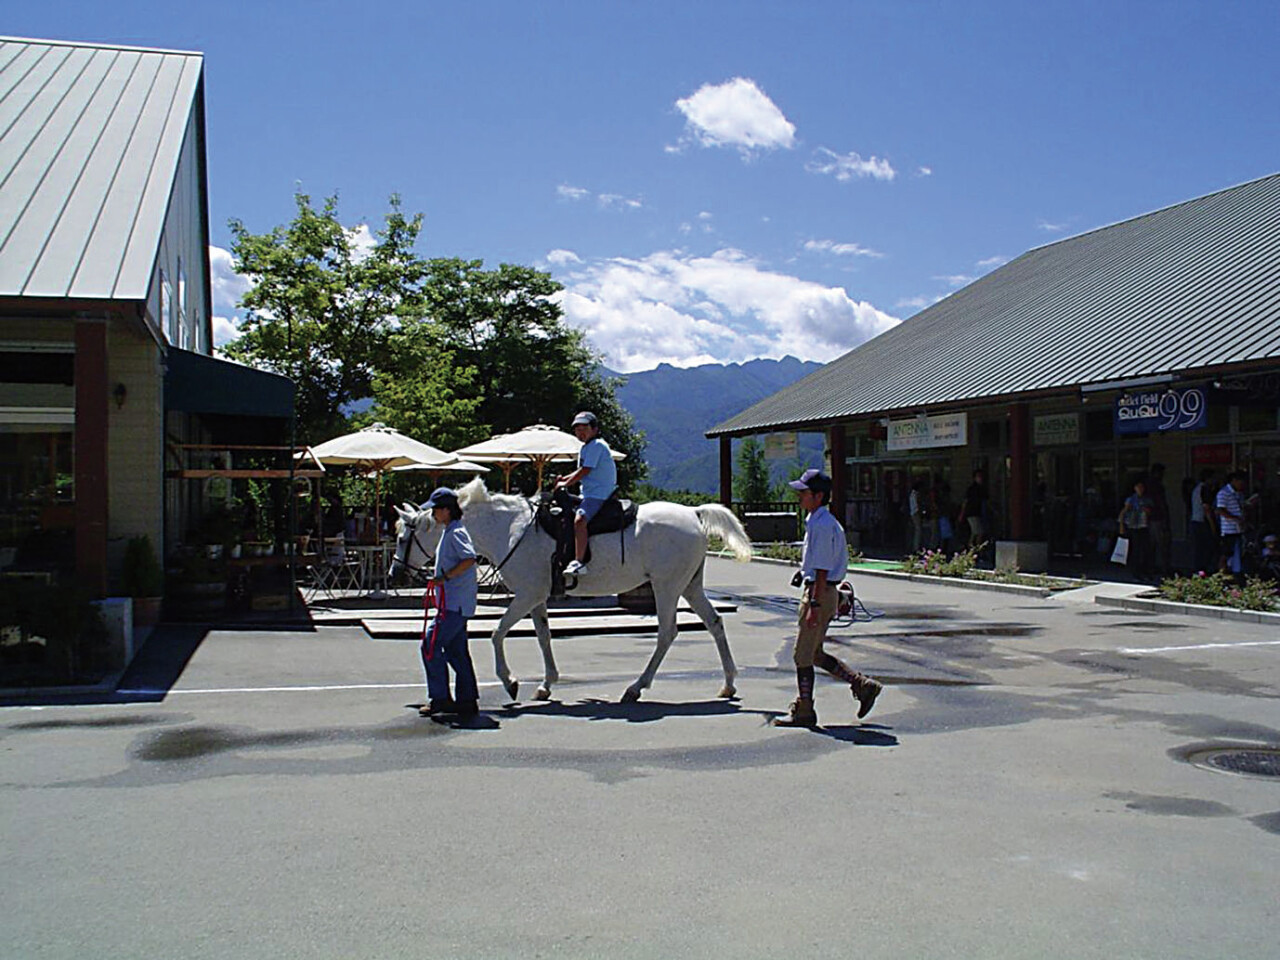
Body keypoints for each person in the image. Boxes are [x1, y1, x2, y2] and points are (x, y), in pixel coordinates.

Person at [775, 469, 882, 728]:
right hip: (823, 590)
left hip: (819, 593)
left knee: (802, 655)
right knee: (814, 653)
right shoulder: (819, 520)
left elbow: (821, 568)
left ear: (819, 496)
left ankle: (805, 710)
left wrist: (814, 603)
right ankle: (861, 684)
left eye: (804, 492)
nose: (800, 496)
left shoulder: (822, 525)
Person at [418, 487, 480, 720]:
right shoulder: (452, 530)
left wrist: (444, 578)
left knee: (430, 646)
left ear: (446, 510)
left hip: (453, 605)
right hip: (456, 603)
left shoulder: (455, 533)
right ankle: (467, 701)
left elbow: (469, 558)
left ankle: (440, 698)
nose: (433, 514)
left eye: (435, 509)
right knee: (456, 652)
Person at [553, 411, 617, 577]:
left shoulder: (597, 445)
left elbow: (585, 470)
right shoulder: (586, 447)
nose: (580, 432)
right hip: (588, 493)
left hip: (599, 493)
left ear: (594, 430)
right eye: (577, 429)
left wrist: (565, 483)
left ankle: (579, 561)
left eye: (584, 428)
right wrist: (563, 479)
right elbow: (580, 471)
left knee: (580, 520)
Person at [1117, 477, 1154, 579]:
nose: (1141, 489)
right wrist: (1121, 526)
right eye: (1138, 487)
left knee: (1146, 549)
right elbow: (1124, 513)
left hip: (1144, 525)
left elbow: (1151, 512)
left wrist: (1147, 510)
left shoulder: (1146, 499)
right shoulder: (1131, 499)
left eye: (1142, 487)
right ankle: (1136, 571)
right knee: (1136, 550)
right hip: (1133, 526)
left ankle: (1146, 570)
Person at [1216, 470, 1248, 576]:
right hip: (1228, 529)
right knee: (1226, 553)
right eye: (1240, 482)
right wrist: (1235, 518)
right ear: (1234, 481)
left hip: (1239, 528)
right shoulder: (1224, 493)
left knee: (1237, 553)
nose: (1242, 485)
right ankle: (1221, 575)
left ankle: (1235, 572)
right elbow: (1220, 510)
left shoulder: (1239, 494)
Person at [1189, 470, 1217, 573]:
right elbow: (1207, 509)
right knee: (1204, 549)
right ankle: (1201, 571)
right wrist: (1213, 526)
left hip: (1195, 520)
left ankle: (1199, 570)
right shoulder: (1204, 489)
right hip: (1201, 522)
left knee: (1199, 549)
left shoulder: (1196, 489)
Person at [1147, 463, 1171, 575]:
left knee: (1153, 545)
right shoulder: (1156, 486)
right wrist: (1165, 517)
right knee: (1162, 544)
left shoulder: (1149, 485)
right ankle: (1164, 568)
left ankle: (1152, 567)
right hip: (1157, 518)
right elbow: (1161, 503)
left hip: (1152, 518)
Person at [957, 469, 987, 549]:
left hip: (978, 513)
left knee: (975, 532)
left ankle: (972, 548)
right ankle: (976, 549)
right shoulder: (972, 489)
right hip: (972, 513)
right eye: (978, 477)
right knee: (979, 532)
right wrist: (961, 514)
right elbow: (965, 502)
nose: (980, 478)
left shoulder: (981, 489)